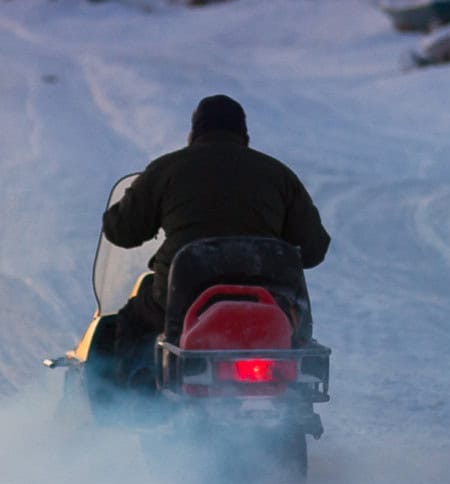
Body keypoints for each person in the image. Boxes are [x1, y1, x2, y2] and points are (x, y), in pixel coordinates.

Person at [101, 94, 330, 343]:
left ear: (194, 133)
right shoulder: (280, 175)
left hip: (182, 297)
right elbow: (313, 250)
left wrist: (121, 211)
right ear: (244, 135)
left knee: (132, 322)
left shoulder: (167, 169)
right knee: (295, 342)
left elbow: (123, 231)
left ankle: (122, 384)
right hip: (266, 298)